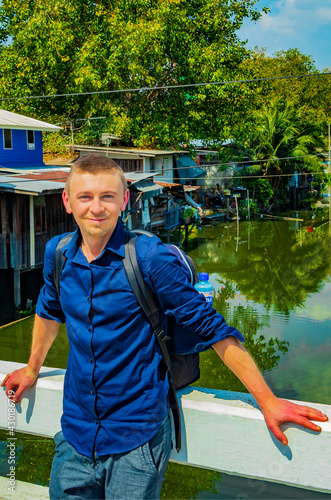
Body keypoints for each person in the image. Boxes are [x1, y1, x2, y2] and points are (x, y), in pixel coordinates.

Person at [2, 154, 328, 499]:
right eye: (85, 196)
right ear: (67, 201)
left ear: (125, 199)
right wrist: (32, 368)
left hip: (136, 439)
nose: (96, 208)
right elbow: (48, 311)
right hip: (76, 434)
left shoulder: (147, 258)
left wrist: (267, 400)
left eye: (107, 196)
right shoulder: (58, 253)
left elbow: (212, 328)